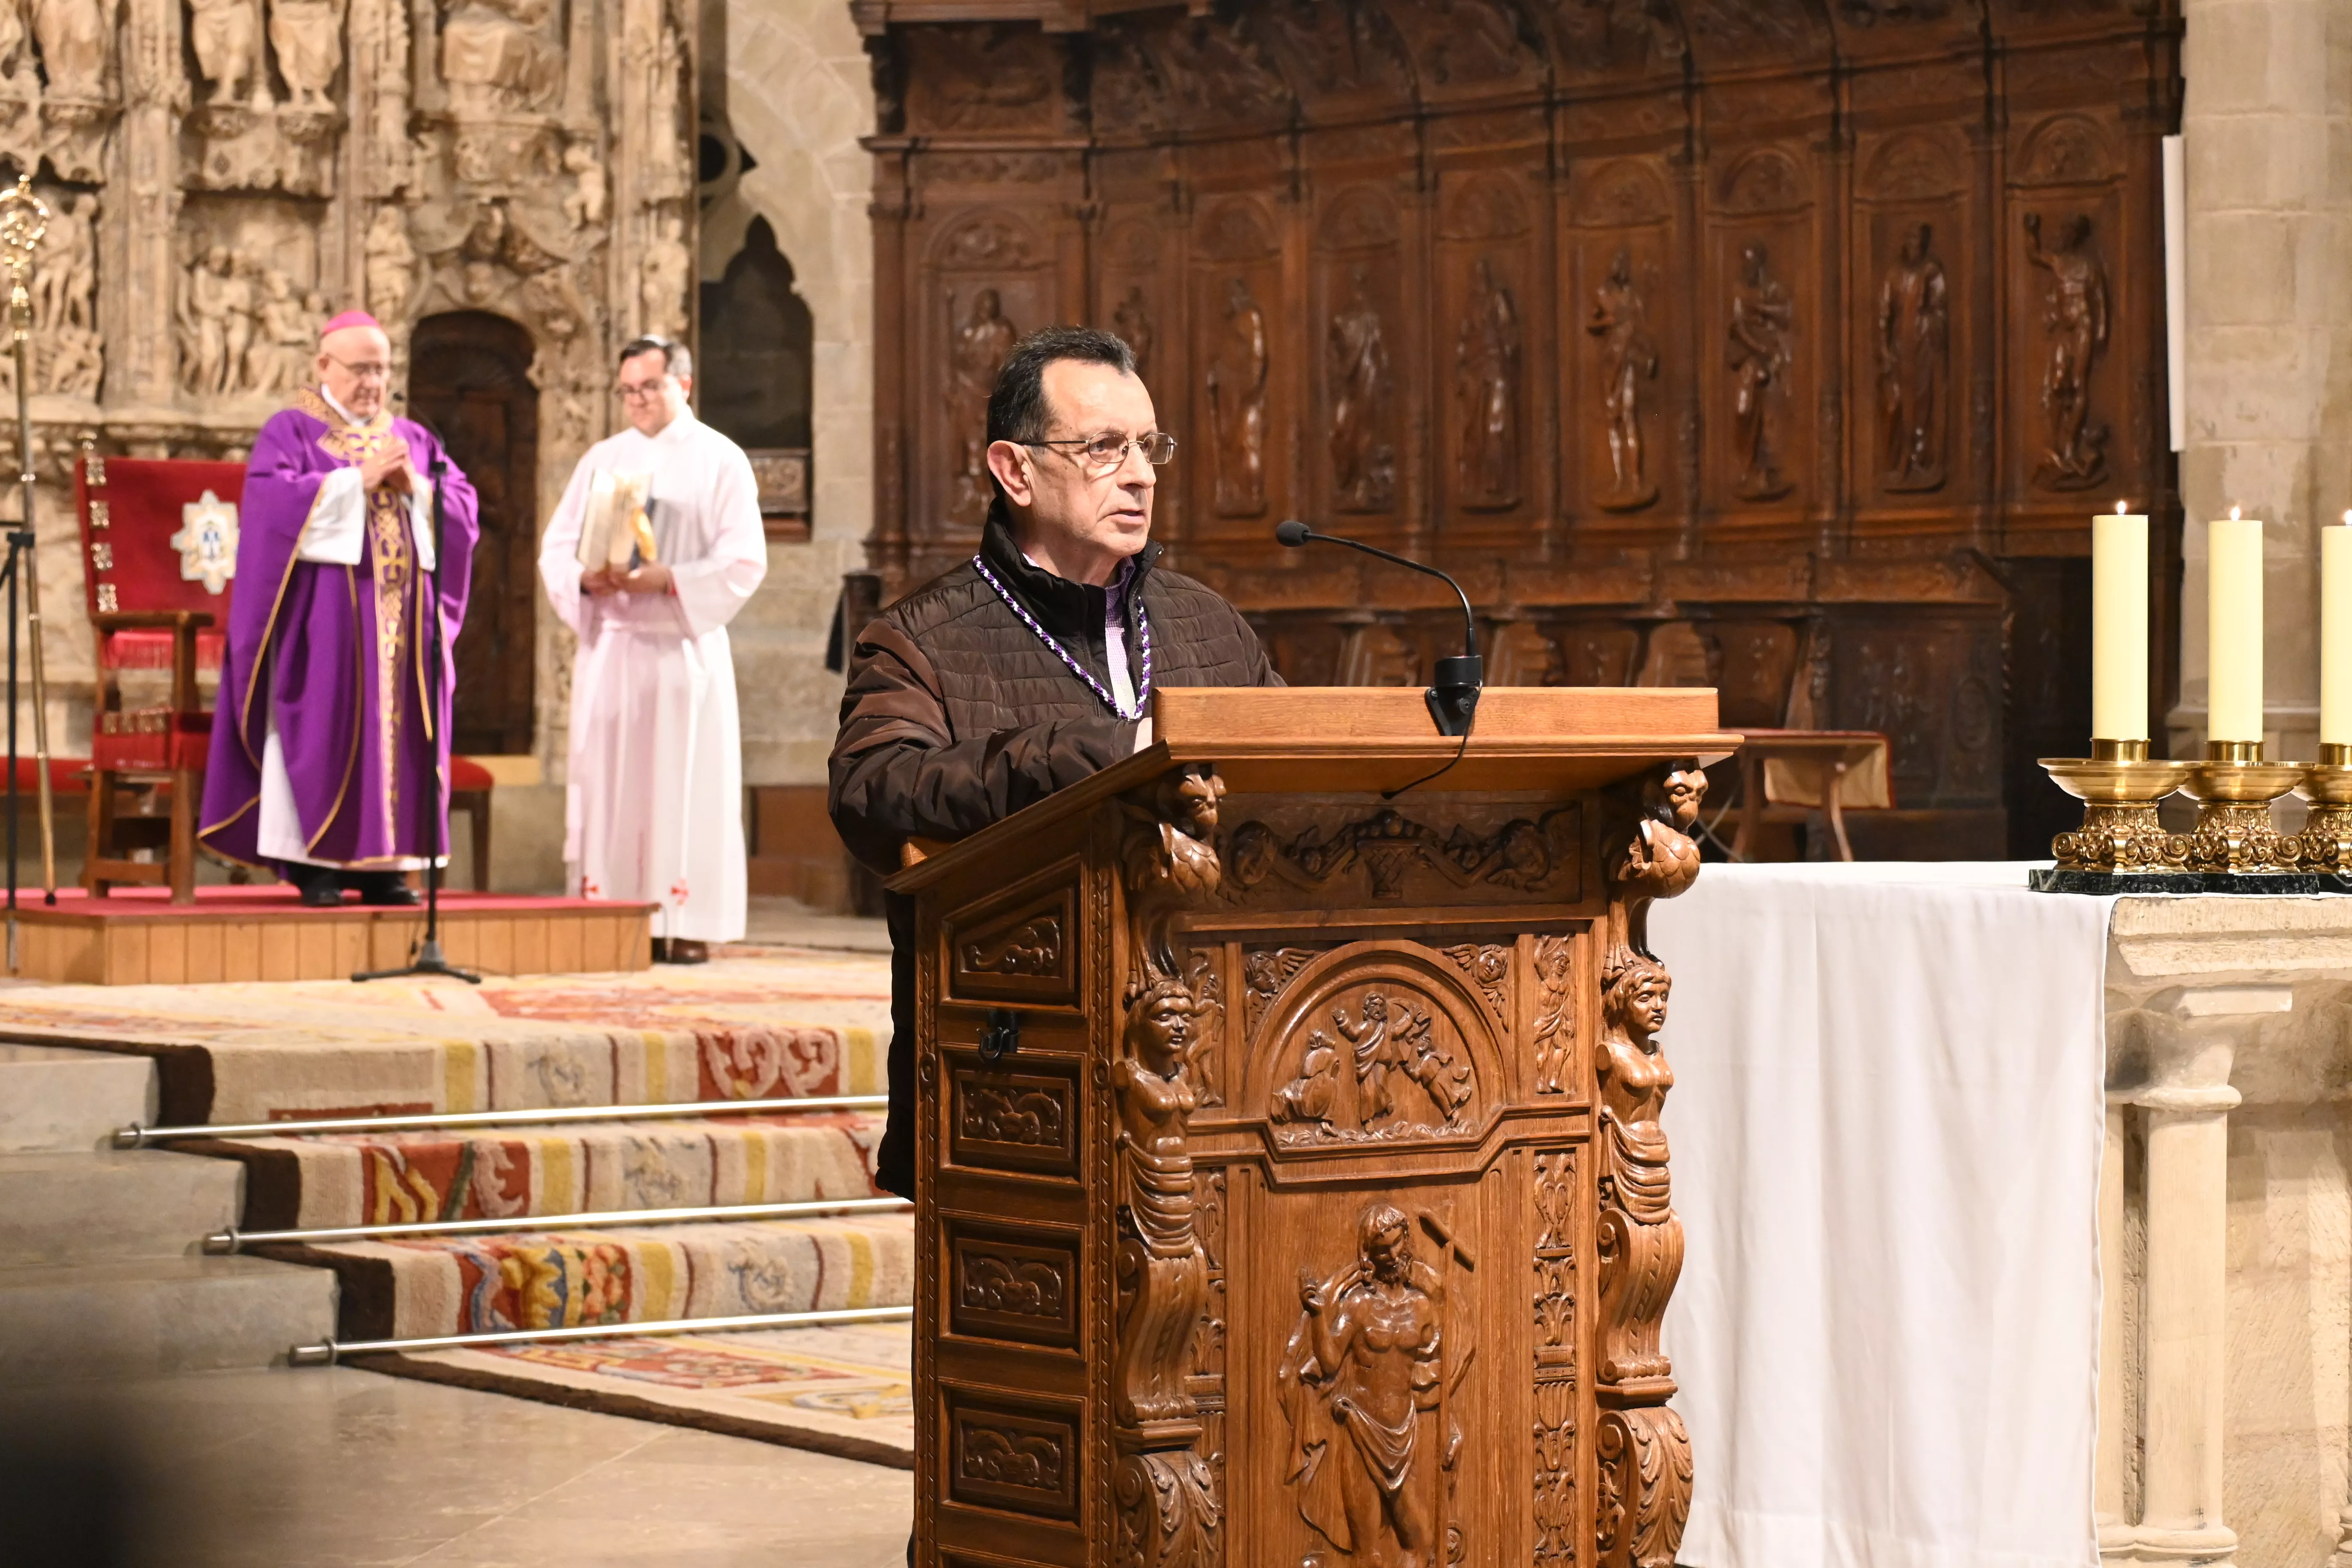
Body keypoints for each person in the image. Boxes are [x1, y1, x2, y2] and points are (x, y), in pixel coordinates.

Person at [830, 324, 1284, 1200]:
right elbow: (872, 786)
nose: (1142, 472)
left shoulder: (1209, 625)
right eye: (1103, 447)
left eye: (1149, 446)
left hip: (1226, 1076)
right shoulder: (922, 637)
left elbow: (1292, 779)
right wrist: (1088, 754)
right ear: (1015, 469)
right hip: (1023, 1067)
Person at [199, 310, 481, 905]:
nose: (373, 383)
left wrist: (421, 493)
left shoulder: (414, 437)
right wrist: (356, 481)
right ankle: (313, 865)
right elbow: (273, 507)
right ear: (324, 366)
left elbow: (461, 507)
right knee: (321, 728)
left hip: (403, 620)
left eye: (382, 370)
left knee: (400, 736)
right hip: (324, 621)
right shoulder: (293, 431)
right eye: (361, 369)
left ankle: (385, 867)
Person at [539, 336, 766, 963]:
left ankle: (682, 920)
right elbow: (556, 548)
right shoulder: (602, 459)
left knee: (682, 784)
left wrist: (667, 578)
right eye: (629, 390)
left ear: (683, 385)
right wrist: (587, 576)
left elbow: (745, 560)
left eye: (650, 387)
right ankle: (610, 913)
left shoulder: (721, 459)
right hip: (614, 647)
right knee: (612, 785)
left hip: (679, 649)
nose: (638, 400)